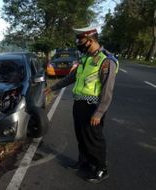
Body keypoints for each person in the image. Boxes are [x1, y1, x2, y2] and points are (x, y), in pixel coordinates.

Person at [44, 25, 119, 183]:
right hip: (79, 104)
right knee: (81, 135)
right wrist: (53, 87)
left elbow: (107, 91)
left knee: (94, 139)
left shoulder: (106, 61)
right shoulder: (86, 58)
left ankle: (101, 169)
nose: (78, 43)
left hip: (93, 106)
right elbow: (72, 77)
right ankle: (84, 162)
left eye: (81, 40)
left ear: (90, 40)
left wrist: (99, 112)